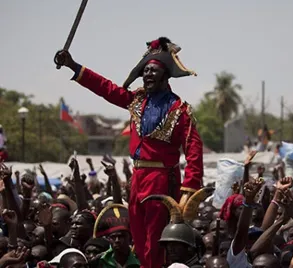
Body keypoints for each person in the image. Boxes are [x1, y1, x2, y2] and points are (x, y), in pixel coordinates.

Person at [55, 37, 203, 268]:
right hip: (137, 179)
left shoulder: (180, 110)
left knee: (155, 241)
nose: (147, 75)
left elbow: (194, 151)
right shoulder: (136, 100)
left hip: (161, 181)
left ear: (165, 76)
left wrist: (189, 190)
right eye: (145, 71)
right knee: (139, 236)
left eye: (153, 71)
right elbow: (106, 88)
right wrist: (74, 66)